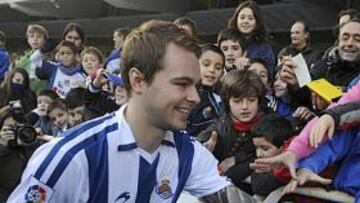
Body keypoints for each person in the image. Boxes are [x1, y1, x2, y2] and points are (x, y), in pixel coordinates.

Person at [8, 20, 255, 203]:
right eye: (181, 84)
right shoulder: (70, 158)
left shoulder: (187, 152)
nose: (194, 97)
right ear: (138, 81)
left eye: (196, 84)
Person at [198, 69, 267, 189]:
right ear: (227, 102)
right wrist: (202, 150)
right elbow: (199, 143)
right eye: (237, 101)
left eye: (251, 100)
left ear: (259, 101)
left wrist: (237, 159)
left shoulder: (270, 124)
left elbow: (270, 156)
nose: (245, 107)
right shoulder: (221, 124)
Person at [280, 18, 360, 110]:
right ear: (338, 41)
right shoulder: (323, 65)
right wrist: (296, 85)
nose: (350, 43)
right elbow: (306, 96)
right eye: (345, 38)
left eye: (358, 39)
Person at [227, 0, 275, 80]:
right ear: (236, 20)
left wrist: (250, 63)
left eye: (250, 18)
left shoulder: (264, 48)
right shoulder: (226, 42)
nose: (246, 21)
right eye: (242, 17)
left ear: (257, 22)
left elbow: (269, 73)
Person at [250, 113, 294, 200]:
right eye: (256, 148)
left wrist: (276, 170)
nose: (259, 154)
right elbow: (258, 185)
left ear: (283, 147)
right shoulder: (261, 165)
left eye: (265, 148)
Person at [0, 109, 38, 202]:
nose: (15, 131)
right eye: (9, 128)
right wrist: (3, 148)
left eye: (18, 127)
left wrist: (29, 141)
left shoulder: (28, 145)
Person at [187, 43, 224, 137]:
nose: (212, 70)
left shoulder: (222, 97)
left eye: (218, 68)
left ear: (222, 73)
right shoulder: (182, 93)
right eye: (206, 64)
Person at [15, 24, 48, 93]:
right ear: (28, 40)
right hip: (25, 92)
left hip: (42, 93)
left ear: (44, 40)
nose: (35, 39)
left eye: (39, 37)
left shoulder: (49, 59)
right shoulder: (23, 59)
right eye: (32, 36)